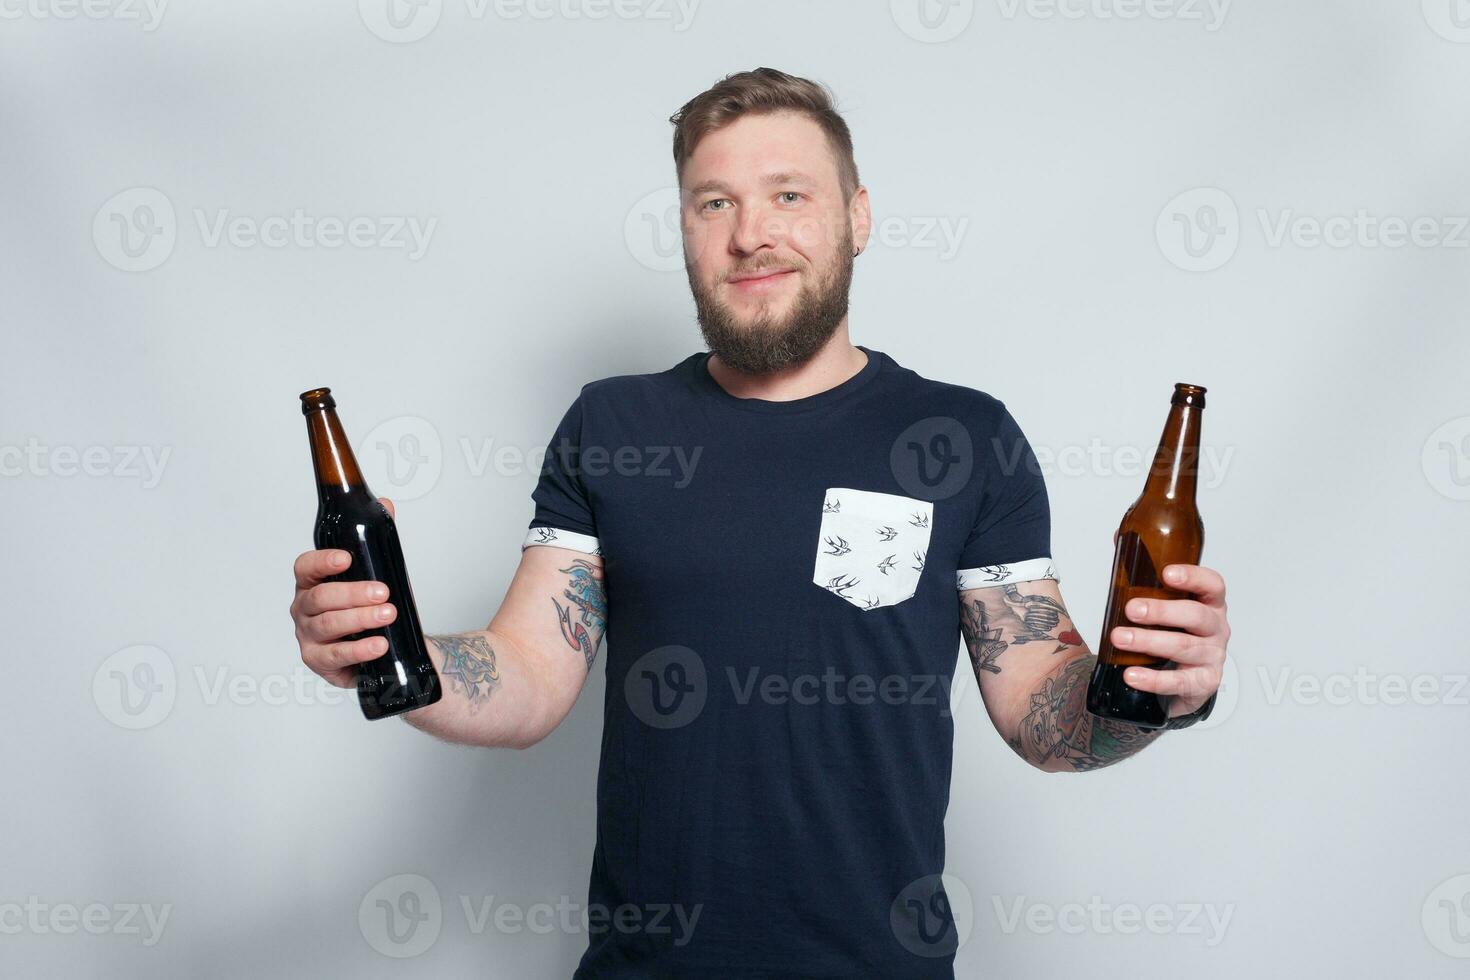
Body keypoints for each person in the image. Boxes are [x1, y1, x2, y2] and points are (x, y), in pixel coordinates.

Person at [289, 67, 1231, 979]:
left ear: (857, 217)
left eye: (788, 195)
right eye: (714, 203)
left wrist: (1153, 689)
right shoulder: (613, 429)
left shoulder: (962, 436)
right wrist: (390, 649)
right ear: (686, 230)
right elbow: (529, 675)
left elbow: (1042, 712)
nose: (751, 235)